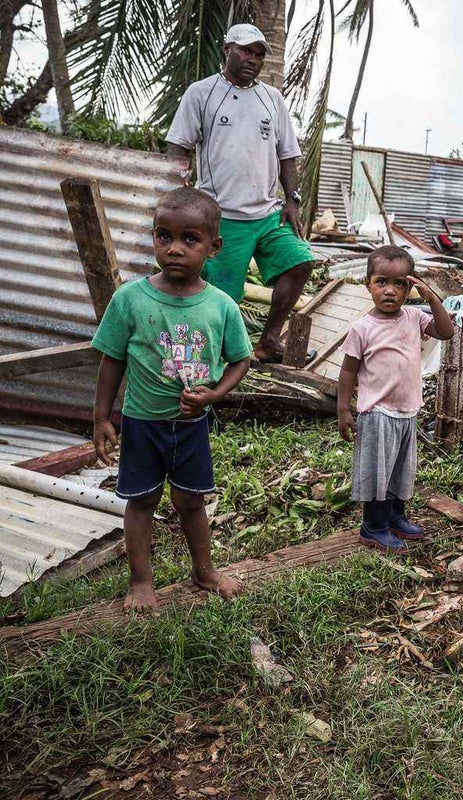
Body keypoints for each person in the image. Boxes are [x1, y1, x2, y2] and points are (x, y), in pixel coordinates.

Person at [92, 188, 253, 612]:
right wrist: (100, 417)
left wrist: (214, 395)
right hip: (142, 423)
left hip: (192, 425)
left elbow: (241, 360)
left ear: (214, 247)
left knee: (191, 500)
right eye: (164, 236)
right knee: (142, 501)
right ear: (154, 237)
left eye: (190, 239)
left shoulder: (220, 307)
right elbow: (111, 361)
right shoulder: (129, 299)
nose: (175, 249)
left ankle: (204, 571)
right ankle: (141, 581)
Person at [165, 23, 314, 363]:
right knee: (222, 297)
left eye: (259, 53)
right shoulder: (201, 93)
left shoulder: (272, 98)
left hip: (268, 214)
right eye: (246, 50)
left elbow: (288, 154)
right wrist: (181, 200)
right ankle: (215, 358)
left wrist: (292, 199)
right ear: (226, 48)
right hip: (221, 217)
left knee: (300, 262)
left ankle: (269, 341)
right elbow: (178, 148)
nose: (253, 58)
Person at [337, 246, 454, 552]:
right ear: (368, 283)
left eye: (399, 284)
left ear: (410, 286)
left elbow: (447, 331)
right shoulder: (362, 328)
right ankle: (373, 526)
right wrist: (343, 411)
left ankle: (395, 516)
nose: (389, 291)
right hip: (377, 413)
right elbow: (348, 372)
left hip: (406, 412)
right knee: (378, 472)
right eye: (381, 282)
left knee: (400, 469)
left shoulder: (414, 317)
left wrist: (431, 298)